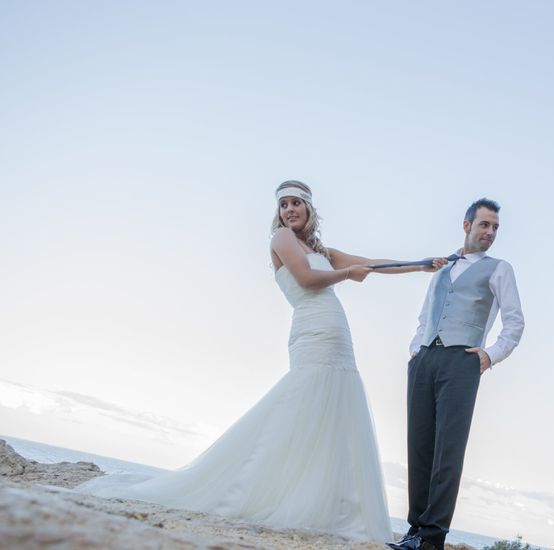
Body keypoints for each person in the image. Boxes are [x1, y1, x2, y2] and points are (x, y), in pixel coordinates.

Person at [77, 180, 446, 543]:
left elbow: (374, 264)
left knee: (334, 414)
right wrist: (348, 275)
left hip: (338, 337)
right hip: (312, 330)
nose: (289, 210)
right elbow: (306, 278)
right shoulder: (281, 240)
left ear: (309, 208)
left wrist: (421, 265)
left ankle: (323, 503)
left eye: (295, 203)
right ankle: (251, 487)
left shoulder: (320, 248)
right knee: (298, 407)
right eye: (283, 205)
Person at [387, 198, 525, 550]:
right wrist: (416, 350)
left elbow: (515, 322)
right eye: (484, 225)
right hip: (425, 359)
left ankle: (432, 538)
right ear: (467, 226)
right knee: (419, 446)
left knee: (448, 450)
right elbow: (425, 315)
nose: (490, 233)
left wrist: (490, 355)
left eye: (495, 227)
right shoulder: (443, 267)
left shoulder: (499, 268)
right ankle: (414, 532)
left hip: (462, 361)